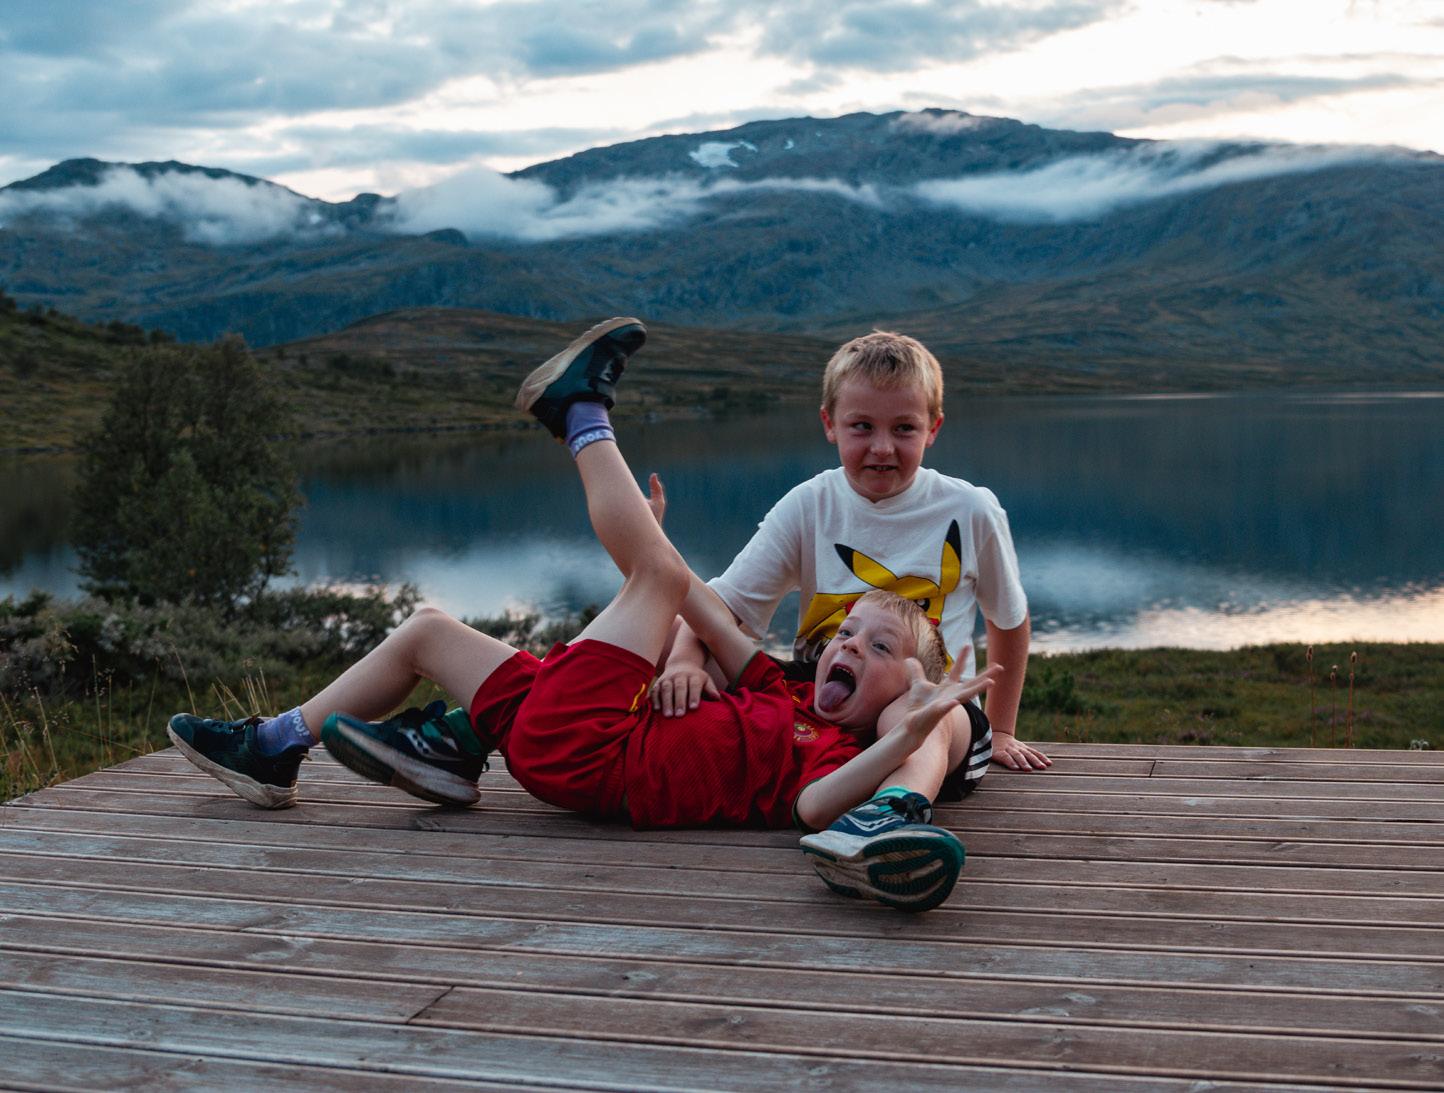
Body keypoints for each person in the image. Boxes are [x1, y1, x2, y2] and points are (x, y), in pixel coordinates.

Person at [166, 318, 1001, 912]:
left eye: (878, 645)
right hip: (589, 731)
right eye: (845, 632)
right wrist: (655, 565)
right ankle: (275, 747)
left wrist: (908, 730)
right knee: (428, 629)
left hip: (599, 751)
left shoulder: (843, 755)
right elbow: (701, 602)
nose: (847, 643)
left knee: (656, 574)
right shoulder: (777, 687)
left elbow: (815, 809)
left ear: (908, 687)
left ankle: (580, 413)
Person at [654, 330, 1050, 823]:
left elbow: (1008, 620)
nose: (882, 448)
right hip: (821, 695)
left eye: (904, 429)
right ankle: (620, 737)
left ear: (933, 428)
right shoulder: (809, 505)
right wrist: (683, 663)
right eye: (862, 426)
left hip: (929, 701)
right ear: (830, 424)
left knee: (918, 715)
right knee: (671, 634)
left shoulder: (970, 509)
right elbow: (720, 608)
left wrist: (1002, 729)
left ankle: (889, 816)